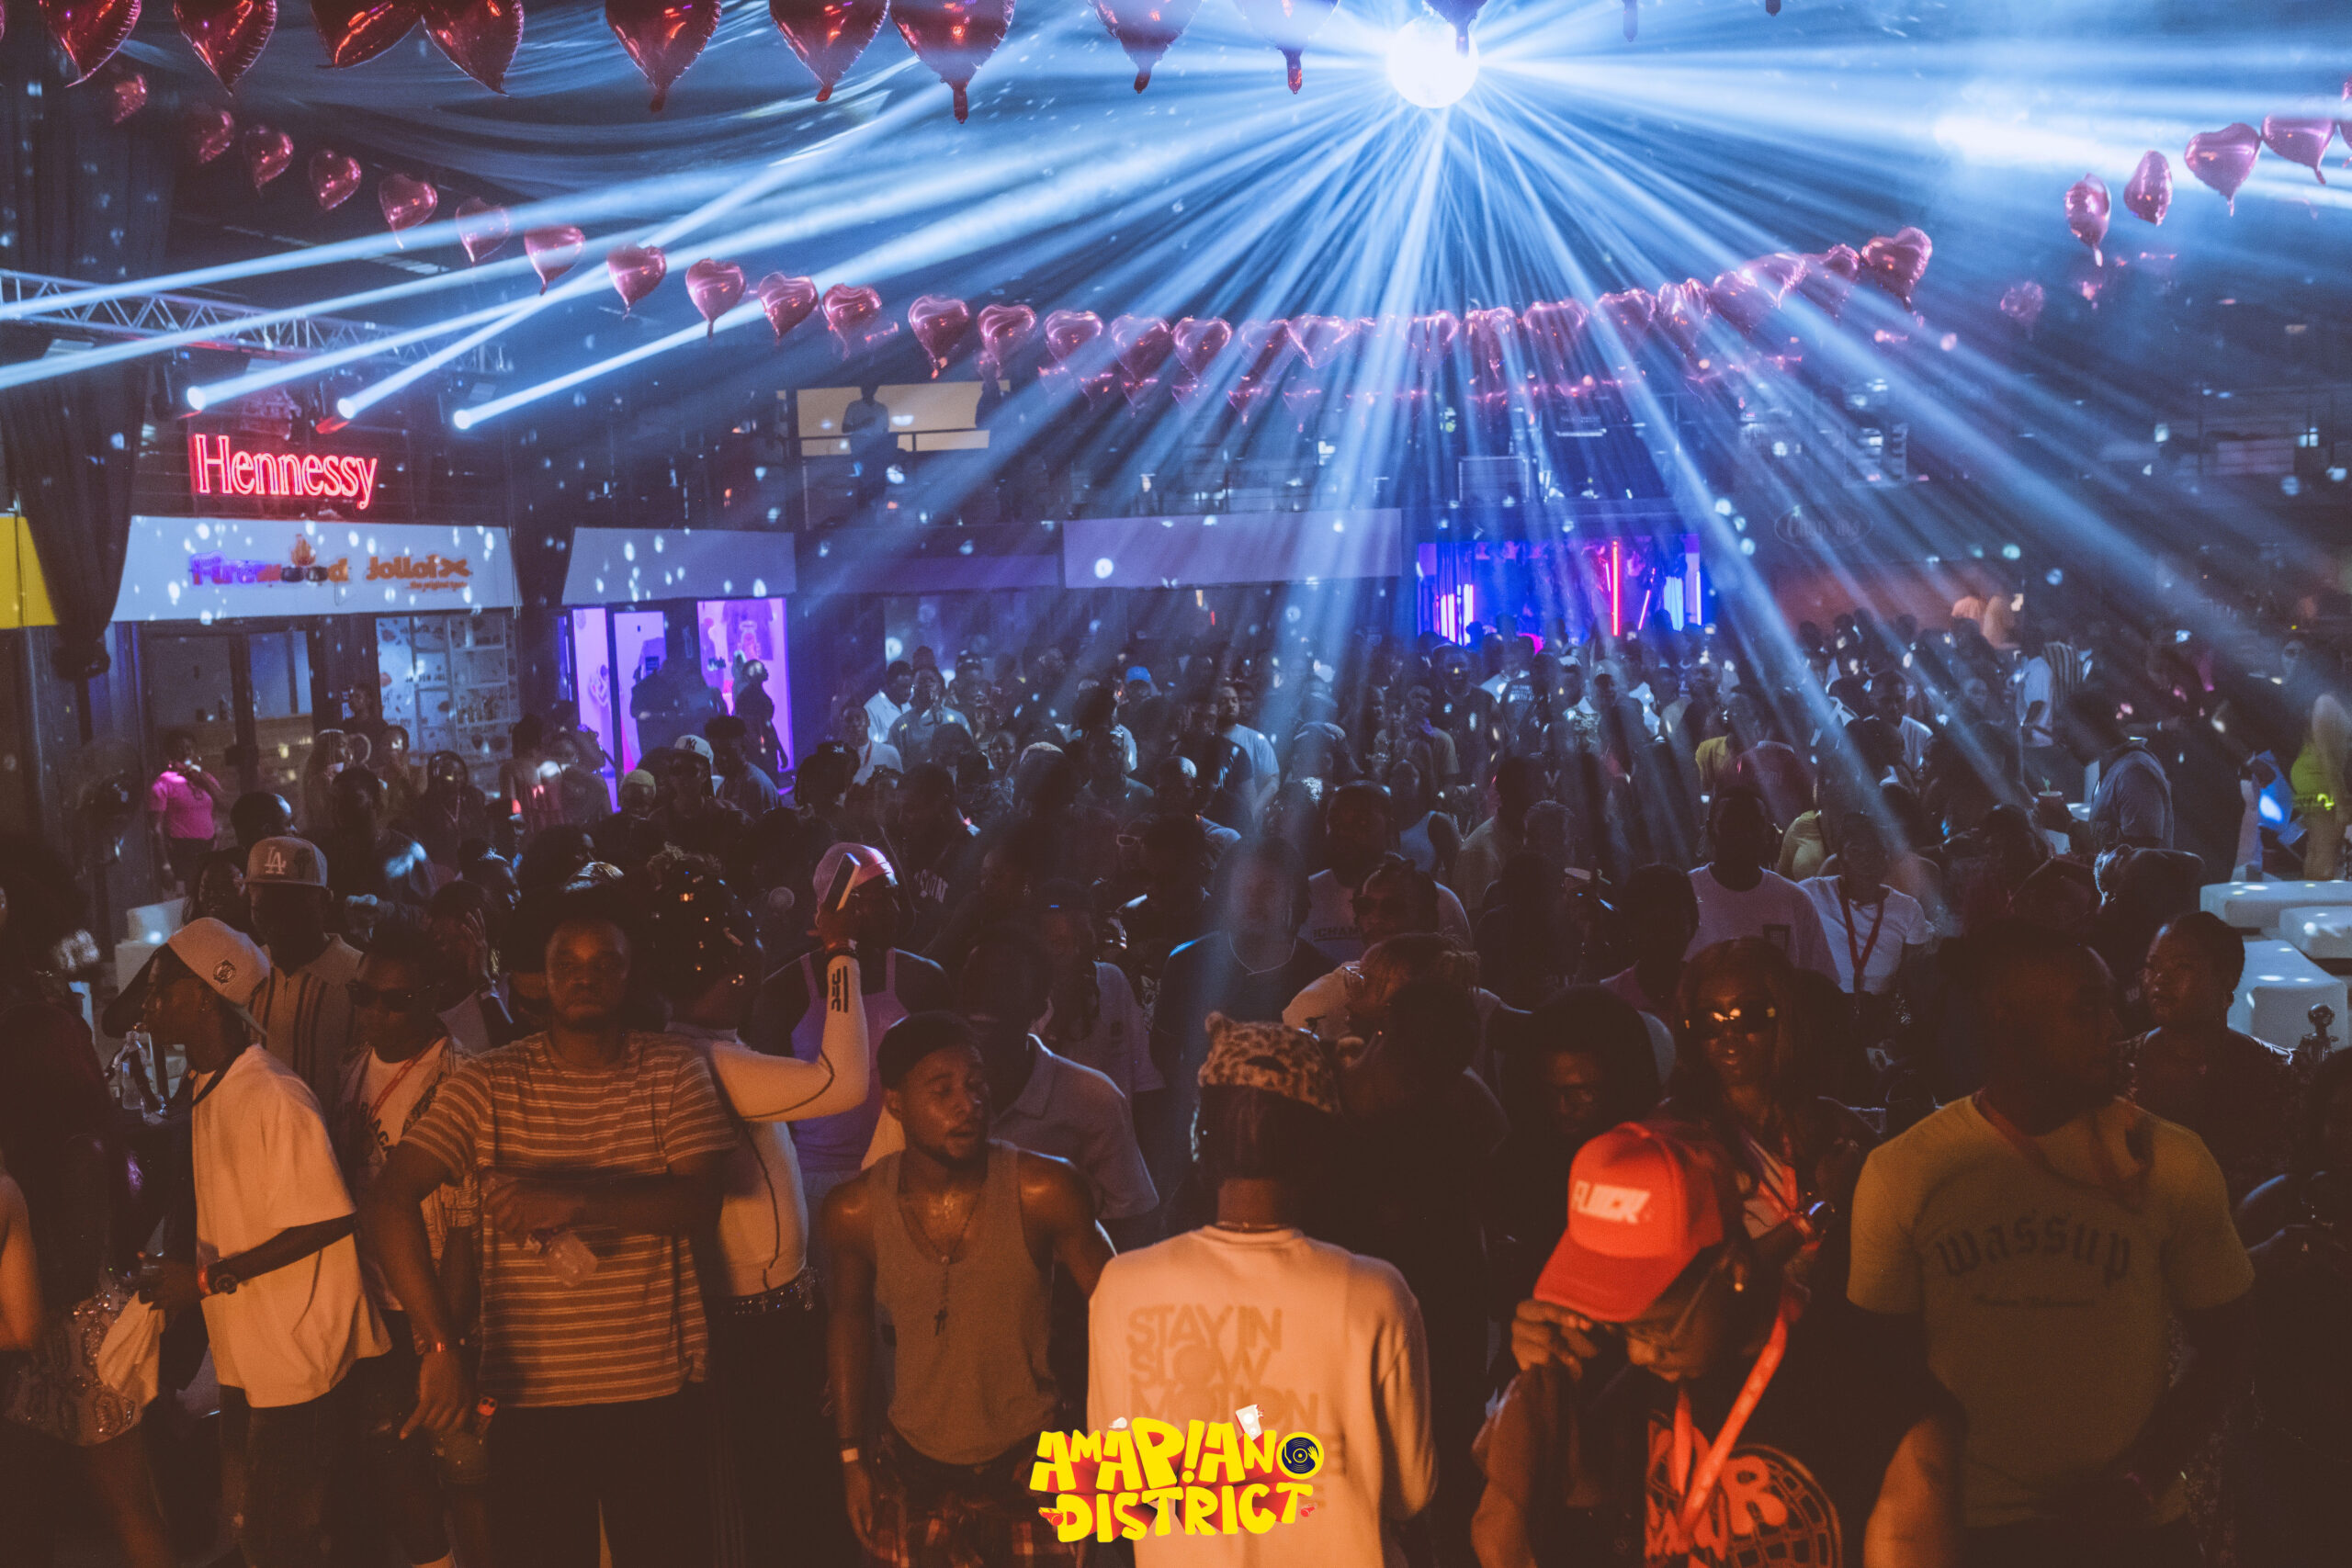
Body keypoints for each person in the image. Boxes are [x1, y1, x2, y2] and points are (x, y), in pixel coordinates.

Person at [1846, 920, 2256, 1567]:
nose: (2112, 1027)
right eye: (2085, 1009)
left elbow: (2227, 1340)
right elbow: (1880, 1372)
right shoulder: (1909, 1172)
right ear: (2007, 1022)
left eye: (2109, 1005)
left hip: (2130, 1528)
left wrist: (2140, 1481)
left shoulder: (2170, 1161)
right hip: (1969, 1528)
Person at [360, 900, 739, 1568]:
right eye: (568, 963)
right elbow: (388, 1199)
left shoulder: (673, 1069)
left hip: (653, 1388)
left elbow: (699, 1202)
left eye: (604, 963)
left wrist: (571, 1201)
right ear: (542, 976)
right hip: (527, 1394)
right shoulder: (488, 1083)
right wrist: (440, 1344)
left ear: (630, 975)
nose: (584, 977)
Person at [1488, 1121, 1962, 1568]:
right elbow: (1589, 1507)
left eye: (1656, 1329)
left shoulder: (1884, 1411)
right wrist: (1548, 1390)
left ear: (1734, 1269)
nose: (1639, 1354)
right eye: (1618, 1325)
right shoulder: (1639, 1374)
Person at [1087, 1013, 1436, 1565]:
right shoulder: (1375, 1293)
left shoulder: (1122, 1286)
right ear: (1320, 1147)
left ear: (1200, 1137)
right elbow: (1409, 1493)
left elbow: (1120, 1486)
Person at [134, 918, 391, 1568]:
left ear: (204, 996)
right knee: (256, 1529)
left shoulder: (273, 1093)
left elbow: (331, 1218)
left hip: (297, 1356)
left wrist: (200, 1281)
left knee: (279, 1539)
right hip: (252, 1351)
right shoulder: (208, 1085)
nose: (149, 1004)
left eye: (162, 989)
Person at [823, 1012, 1114, 1566]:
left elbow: (1120, 1314)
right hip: (912, 1469)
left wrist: (1105, 1450)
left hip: (1035, 1464)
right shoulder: (855, 1211)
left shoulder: (1044, 1190)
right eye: (943, 1091)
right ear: (895, 1103)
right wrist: (850, 1458)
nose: (969, 1104)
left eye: (977, 1084)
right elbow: (849, 1320)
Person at [645, 866, 871, 1568]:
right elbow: (844, 1080)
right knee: (782, 1505)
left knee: (788, 1499)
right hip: (756, 1327)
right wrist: (841, 953)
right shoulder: (706, 1059)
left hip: (769, 1315)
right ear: (737, 967)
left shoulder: (692, 1047)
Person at [0, 835, 174, 1568]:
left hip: (67, 1317)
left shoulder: (66, 1136)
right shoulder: (53, 1055)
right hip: (65, 1311)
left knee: (111, 1500)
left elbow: (76, 1237)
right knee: (96, 1502)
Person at [330, 925, 492, 1568]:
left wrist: (443, 1337)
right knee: (390, 1456)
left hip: (431, 1304)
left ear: (431, 997)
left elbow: (469, 1223)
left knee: (463, 1465)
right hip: (367, 1300)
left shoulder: (464, 1079)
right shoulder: (350, 1067)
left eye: (394, 1001)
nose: (374, 1012)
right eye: (362, 995)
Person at [745, 846, 951, 1248]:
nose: (894, 909)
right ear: (837, 906)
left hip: (904, 1168)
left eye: (894, 895)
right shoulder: (786, 992)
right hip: (814, 1178)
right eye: (878, 899)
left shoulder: (922, 980)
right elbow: (770, 1116)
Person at [1148, 840, 1335, 1208]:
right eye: (1244, 888)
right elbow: (1164, 1050)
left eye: (1268, 889)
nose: (1255, 900)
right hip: (1203, 1139)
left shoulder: (1320, 975)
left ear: (1293, 896)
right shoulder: (1187, 962)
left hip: (1295, 1147)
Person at [1669, 938, 1877, 1250]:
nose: (1729, 1034)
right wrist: (1821, 1208)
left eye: (1749, 1015)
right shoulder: (1678, 1134)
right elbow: (1718, 1273)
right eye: (1709, 1021)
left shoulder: (1832, 1122)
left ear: (1783, 1017)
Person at [2229, 1048, 2352, 1568]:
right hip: (2287, 1462)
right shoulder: (2272, 1209)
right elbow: (2209, 1324)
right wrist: (2259, 1265)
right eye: (2342, 1118)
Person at [2130, 911, 2295, 1203]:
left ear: (2226, 978)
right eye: (2152, 966)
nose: (2160, 979)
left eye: (2182, 966)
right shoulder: (2116, 1068)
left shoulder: (2286, 1074)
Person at [244, 835, 366, 1108]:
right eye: (263, 909)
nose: (277, 921)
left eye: (291, 908)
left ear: (324, 903)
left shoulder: (359, 976)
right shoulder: (244, 969)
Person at [1303, 781, 1474, 963]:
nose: (1343, 831)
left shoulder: (1439, 902)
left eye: (1361, 822)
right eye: (1334, 821)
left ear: (1389, 829)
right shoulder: (1305, 895)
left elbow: (1460, 974)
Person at [1687, 789, 1838, 981]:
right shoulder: (1685, 892)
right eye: (1731, 824)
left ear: (1768, 833)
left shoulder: (1796, 900)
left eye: (1752, 825)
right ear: (1711, 829)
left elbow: (1820, 982)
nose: (1743, 834)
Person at [1037, 882, 1162, 1104]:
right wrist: (1060, 1019)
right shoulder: (1026, 993)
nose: (1076, 951)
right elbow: (1030, 1083)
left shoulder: (1112, 980)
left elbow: (1145, 1079)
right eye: (1058, 943)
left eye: (1084, 938)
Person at [1800, 810, 1930, 998]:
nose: (1866, 860)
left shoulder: (1908, 910)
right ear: (1840, 858)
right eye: (1855, 851)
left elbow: (1913, 976)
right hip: (1823, 1002)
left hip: (1880, 1005)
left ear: (1886, 859)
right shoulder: (1813, 892)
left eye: (1875, 852)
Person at [1453, 755, 1540, 916]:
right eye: (1536, 790)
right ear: (1510, 795)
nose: (1543, 798)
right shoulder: (1480, 853)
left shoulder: (1523, 837)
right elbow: (1479, 921)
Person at [630, 620, 725, 759]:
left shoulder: (678, 687)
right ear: (664, 671)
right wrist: (662, 716)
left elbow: (682, 712)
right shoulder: (644, 687)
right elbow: (635, 712)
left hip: (679, 740)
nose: (676, 678)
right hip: (654, 741)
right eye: (673, 674)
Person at [148, 728, 227, 891]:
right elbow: (156, 829)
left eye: (189, 747)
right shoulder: (163, 783)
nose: (185, 752)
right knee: (191, 897)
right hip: (183, 851)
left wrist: (203, 780)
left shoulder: (205, 777)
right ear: (170, 753)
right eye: (180, 748)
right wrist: (165, 865)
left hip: (209, 848)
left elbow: (224, 806)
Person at [887, 667, 972, 770]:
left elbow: (970, 754)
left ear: (939, 686)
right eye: (922, 681)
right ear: (914, 688)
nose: (927, 684)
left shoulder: (958, 719)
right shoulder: (901, 725)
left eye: (931, 680)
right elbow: (893, 764)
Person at [706, 712, 782, 818]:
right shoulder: (725, 785)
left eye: (728, 751)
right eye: (716, 752)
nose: (722, 758)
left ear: (743, 746)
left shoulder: (755, 785)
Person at [866, 661, 917, 750]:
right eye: (904, 687)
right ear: (890, 684)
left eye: (910, 687)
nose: (908, 693)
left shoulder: (907, 705)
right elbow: (870, 749)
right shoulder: (871, 709)